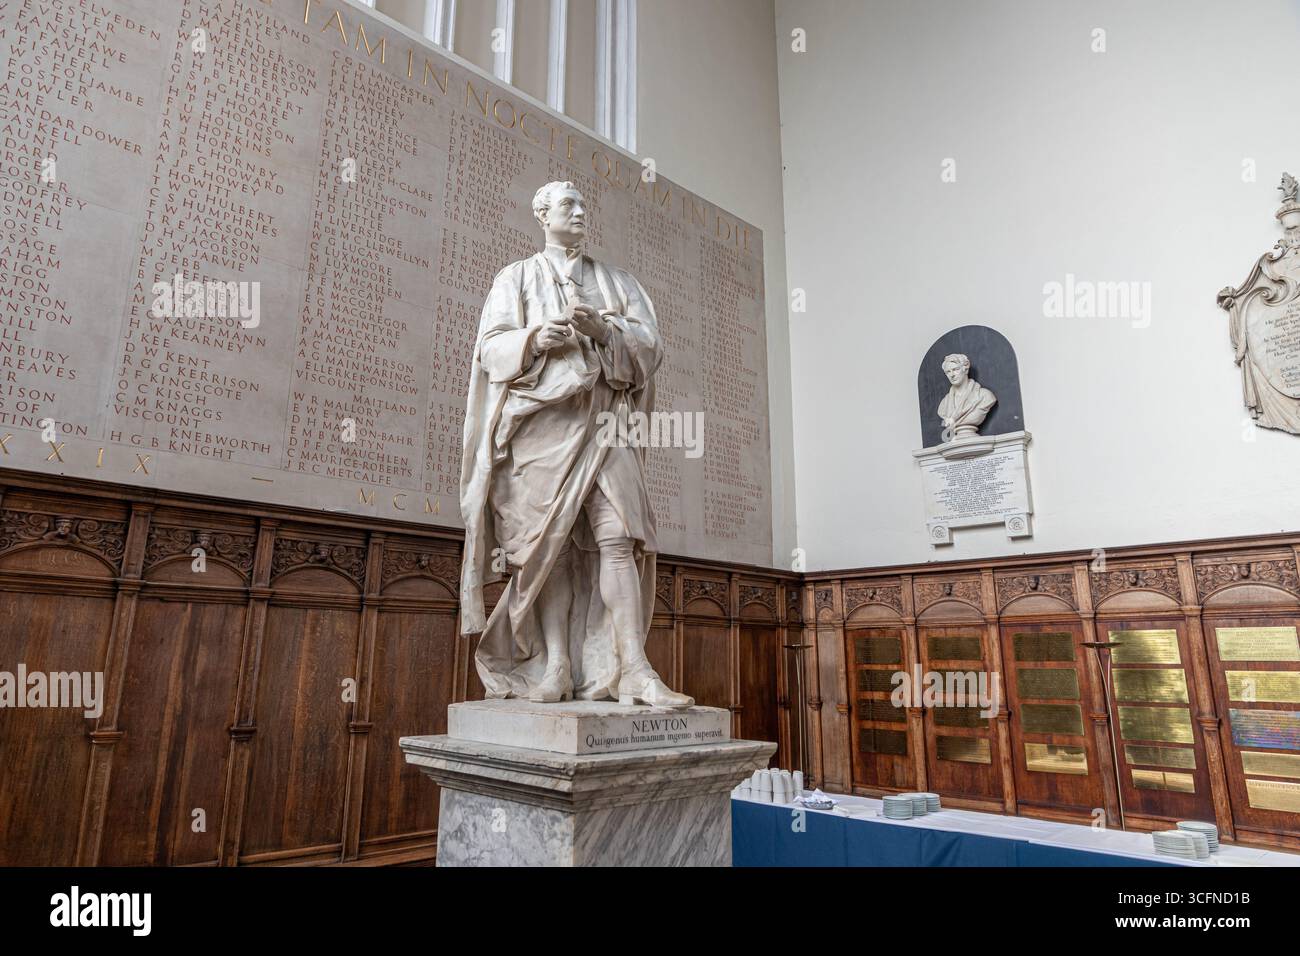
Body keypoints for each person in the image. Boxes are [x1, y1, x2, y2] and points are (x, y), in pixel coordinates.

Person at [458, 181, 694, 708]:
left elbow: (650, 348)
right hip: (543, 434)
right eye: (570, 204)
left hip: (607, 429)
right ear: (542, 213)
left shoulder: (618, 282)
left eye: (584, 204)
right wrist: (535, 339)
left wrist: (606, 333)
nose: (582, 211)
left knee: (619, 538)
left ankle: (634, 668)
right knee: (551, 547)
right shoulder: (515, 278)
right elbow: (490, 350)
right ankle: (557, 666)